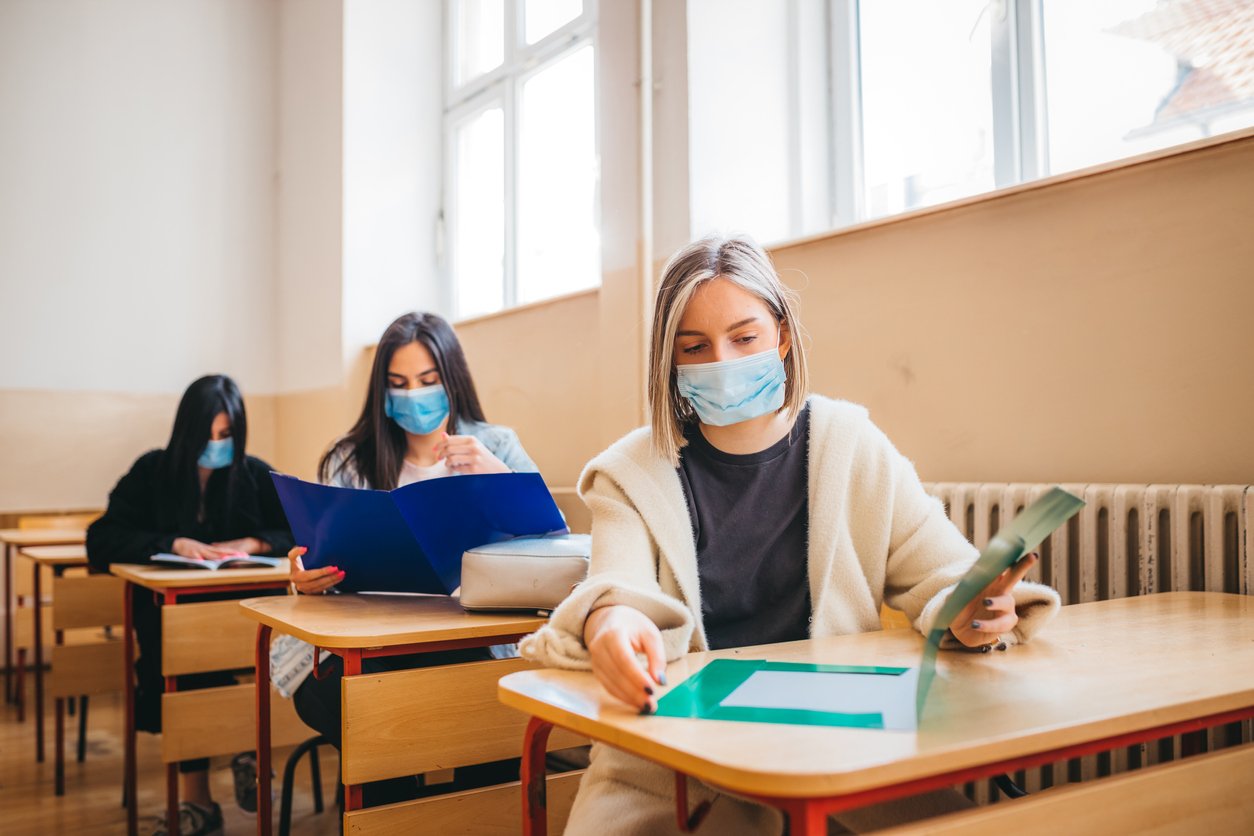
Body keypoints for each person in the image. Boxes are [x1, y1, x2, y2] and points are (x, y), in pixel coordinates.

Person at [520, 235, 1062, 834]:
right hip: (673, 768)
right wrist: (610, 623)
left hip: (841, 759)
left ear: (781, 335)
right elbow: (616, 585)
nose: (722, 362)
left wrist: (972, 610)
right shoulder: (629, 472)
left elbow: (943, 573)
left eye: (744, 337)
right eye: (694, 347)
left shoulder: (851, 445)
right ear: (669, 363)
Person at [283, 311, 539, 804]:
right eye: (398, 383)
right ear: (381, 390)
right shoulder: (350, 459)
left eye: (427, 381)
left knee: (488, 713)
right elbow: (319, 558)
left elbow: (550, 554)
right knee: (375, 718)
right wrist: (305, 579)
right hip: (369, 649)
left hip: (474, 642)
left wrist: (498, 477)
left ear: (452, 380)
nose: (413, 395)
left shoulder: (497, 445)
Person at [87, 374, 294, 836]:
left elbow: (301, 531)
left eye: (226, 436)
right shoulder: (152, 471)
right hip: (170, 623)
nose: (216, 445)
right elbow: (100, 539)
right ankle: (199, 800)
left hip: (244, 618)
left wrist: (255, 540)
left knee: (250, 663)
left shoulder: (255, 473)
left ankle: (247, 750)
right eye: (207, 434)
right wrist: (174, 543)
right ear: (186, 431)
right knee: (185, 668)